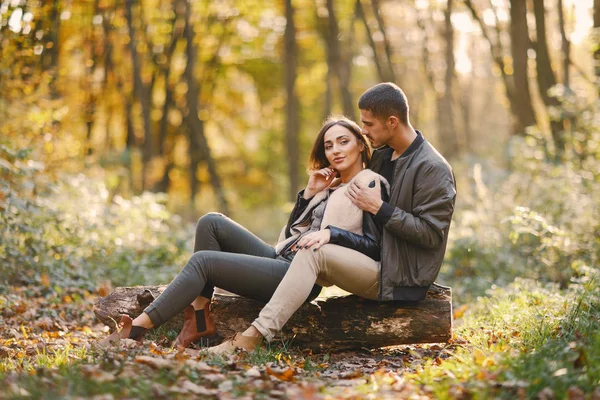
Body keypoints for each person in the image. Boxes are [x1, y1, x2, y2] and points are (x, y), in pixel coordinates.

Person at [206, 82, 456, 354]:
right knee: (306, 250)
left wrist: (379, 209)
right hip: (371, 259)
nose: (364, 130)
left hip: (401, 276)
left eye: (369, 124)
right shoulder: (383, 156)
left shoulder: (432, 168)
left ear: (392, 122)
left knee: (316, 252)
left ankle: (251, 339)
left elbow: (431, 236)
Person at [99, 116, 388, 349]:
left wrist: (332, 234)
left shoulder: (369, 183)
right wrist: (310, 193)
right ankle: (199, 319)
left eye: (343, 142)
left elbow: (374, 246)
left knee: (203, 262)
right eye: (328, 145)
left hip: (301, 273)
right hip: (281, 258)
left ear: (361, 146)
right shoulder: (330, 187)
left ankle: (137, 328)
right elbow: (289, 235)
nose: (335, 150)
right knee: (210, 222)